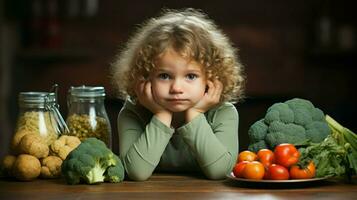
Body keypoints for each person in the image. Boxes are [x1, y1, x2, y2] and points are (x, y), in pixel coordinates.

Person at [111, 8, 245, 181]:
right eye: (164, 76)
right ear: (144, 77)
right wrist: (161, 115)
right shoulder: (133, 113)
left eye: (190, 76)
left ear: (211, 78)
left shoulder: (223, 113)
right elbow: (136, 172)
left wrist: (195, 115)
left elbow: (220, 171)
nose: (176, 88)